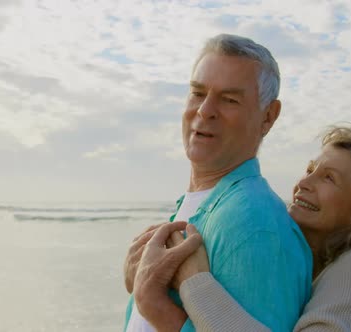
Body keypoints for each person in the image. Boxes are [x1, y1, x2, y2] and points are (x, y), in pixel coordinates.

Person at [123, 34, 313, 332]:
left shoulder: (254, 221)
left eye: (229, 100)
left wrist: (152, 303)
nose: (205, 110)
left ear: (268, 117)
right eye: (198, 93)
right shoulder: (204, 204)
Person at [134, 125, 351, 331]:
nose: (305, 183)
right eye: (310, 169)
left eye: (329, 178)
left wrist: (192, 283)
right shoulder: (307, 271)